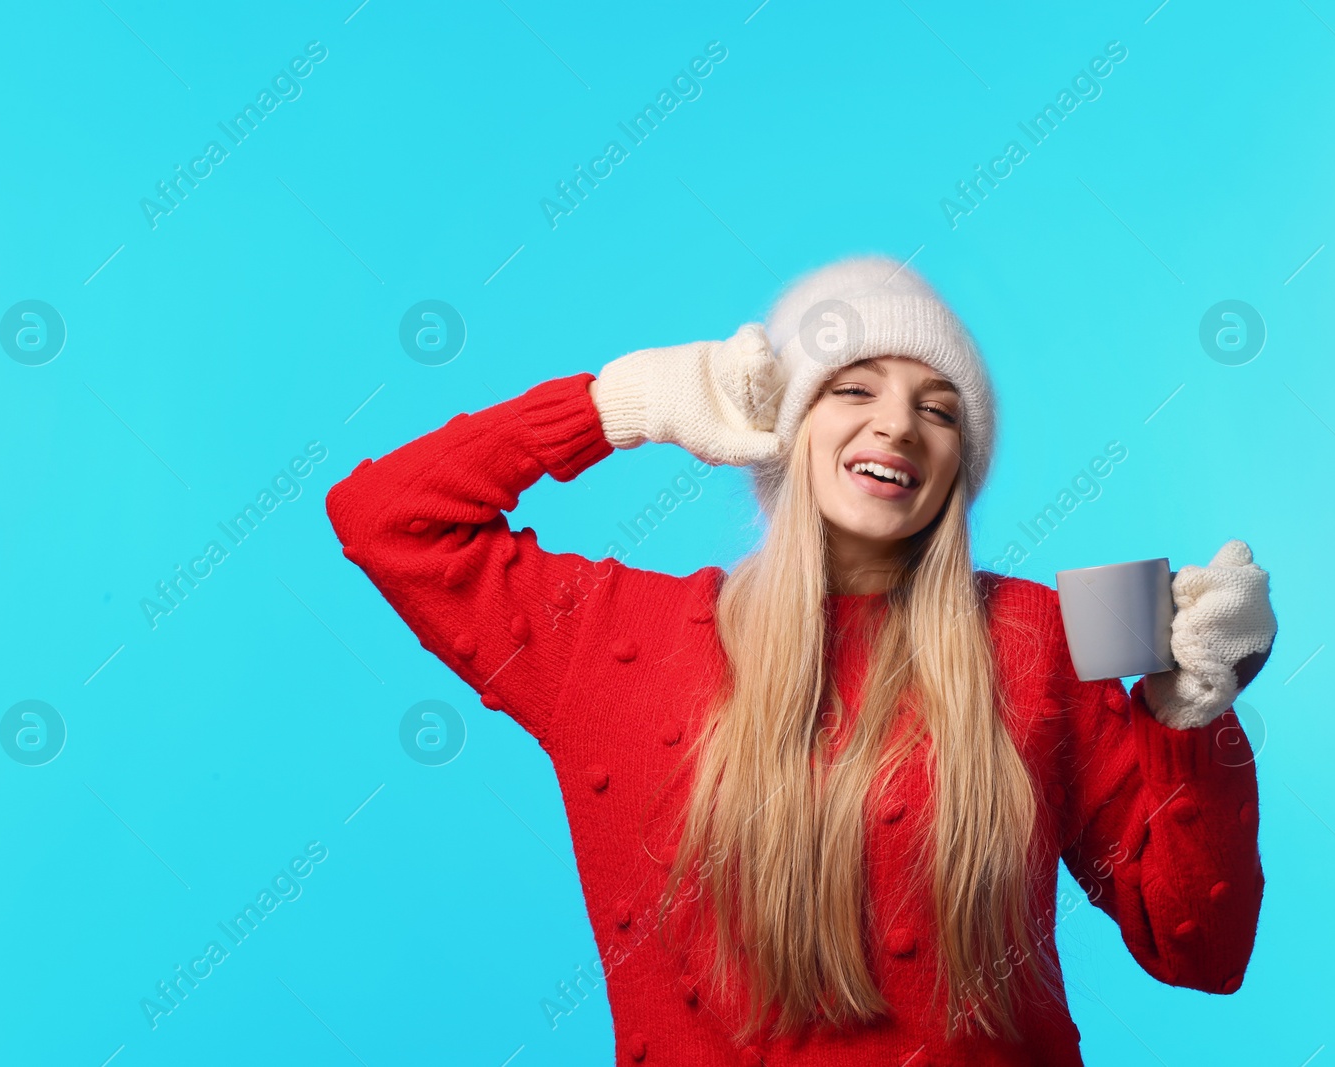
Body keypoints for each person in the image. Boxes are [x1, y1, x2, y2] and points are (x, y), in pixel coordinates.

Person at [324, 256, 1277, 1066]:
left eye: (938, 411)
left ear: (958, 466)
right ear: (784, 426)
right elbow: (386, 517)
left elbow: (1203, 950)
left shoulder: (1043, 636)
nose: (898, 425)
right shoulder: (615, 637)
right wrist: (623, 402)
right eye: (852, 389)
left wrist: (1194, 714)